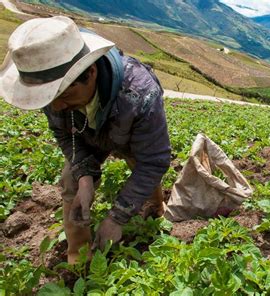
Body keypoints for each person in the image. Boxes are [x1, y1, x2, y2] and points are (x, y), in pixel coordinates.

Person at [0, 16, 171, 263]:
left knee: (139, 163)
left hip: (127, 133)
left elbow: (154, 161)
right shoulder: (50, 90)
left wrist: (117, 217)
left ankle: (156, 206)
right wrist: (84, 177)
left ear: (90, 73)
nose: (56, 106)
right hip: (86, 135)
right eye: (50, 99)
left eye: (63, 94)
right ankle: (79, 258)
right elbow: (63, 133)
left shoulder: (140, 94)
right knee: (70, 179)